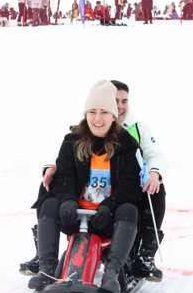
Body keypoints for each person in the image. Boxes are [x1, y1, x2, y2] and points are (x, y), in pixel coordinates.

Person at [21, 80, 169, 281]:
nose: (118, 106)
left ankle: (142, 257)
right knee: (49, 183)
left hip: (117, 202)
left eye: (122, 101)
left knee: (154, 187)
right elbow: (62, 163)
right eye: (114, 101)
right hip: (81, 206)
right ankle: (44, 260)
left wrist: (154, 173)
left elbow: (150, 160)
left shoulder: (134, 133)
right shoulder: (77, 135)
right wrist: (55, 179)